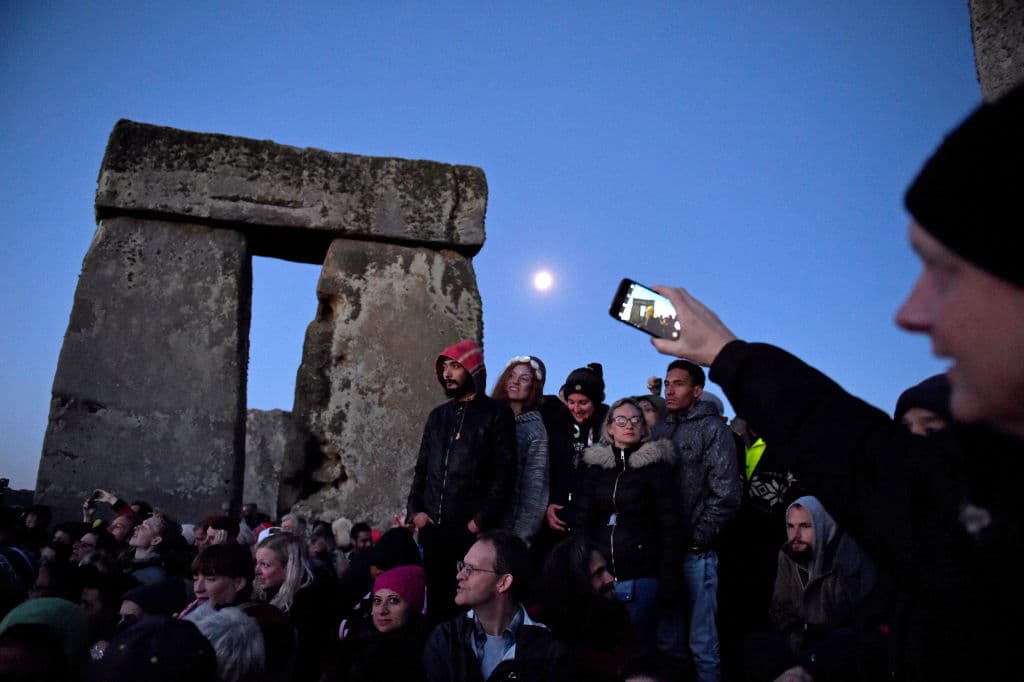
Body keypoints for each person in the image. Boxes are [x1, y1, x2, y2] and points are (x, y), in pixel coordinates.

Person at [646, 83, 1024, 681]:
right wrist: (724, 351)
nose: (910, 312)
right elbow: (857, 452)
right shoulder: (982, 494)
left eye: (945, 273)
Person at [406, 339, 518, 624]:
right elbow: (421, 468)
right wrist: (415, 512)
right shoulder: (437, 416)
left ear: (472, 367)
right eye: (444, 367)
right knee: (436, 609)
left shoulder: (496, 414)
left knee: (471, 611)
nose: (447, 373)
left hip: (471, 534)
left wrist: (477, 523)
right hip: (432, 530)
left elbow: (504, 474)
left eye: (454, 366)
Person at [652, 359, 741, 681]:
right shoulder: (660, 429)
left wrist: (694, 539)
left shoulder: (713, 430)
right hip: (662, 554)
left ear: (697, 390)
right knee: (668, 641)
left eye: (678, 383)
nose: (669, 390)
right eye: (667, 383)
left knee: (702, 643)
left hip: (695, 554)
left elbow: (726, 494)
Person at [574, 397, 680, 647]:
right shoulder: (595, 468)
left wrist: (669, 579)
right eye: (621, 420)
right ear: (609, 427)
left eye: (636, 419)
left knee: (643, 650)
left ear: (644, 427)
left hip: (642, 575)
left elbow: (670, 526)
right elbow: (582, 519)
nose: (629, 425)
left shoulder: (658, 468)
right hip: (602, 578)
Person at [744, 496, 884, 682]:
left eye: (805, 526)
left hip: (832, 641)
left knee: (843, 644)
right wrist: (794, 635)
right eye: (791, 526)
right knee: (756, 645)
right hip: (799, 638)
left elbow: (856, 618)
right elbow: (780, 608)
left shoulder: (847, 555)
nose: (795, 535)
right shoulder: (788, 554)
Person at [422, 529, 574, 681]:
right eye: (462, 566)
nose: (460, 575)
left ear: (503, 582)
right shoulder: (446, 639)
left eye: (471, 569)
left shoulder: (547, 652)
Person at [534, 535, 638, 682]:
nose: (610, 579)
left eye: (607, 570)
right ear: (576, 582)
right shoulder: (542, 630)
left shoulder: (616, 614)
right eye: (599, 573)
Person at [254, 530, 336, 680]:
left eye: (265, 565)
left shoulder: (308, 604)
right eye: (257, 563)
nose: (257, 570)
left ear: (289, 567)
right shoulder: (269, 594)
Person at [491, 355, 550, 548]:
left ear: (533, 386)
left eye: (524, 378)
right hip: (472, 522)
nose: (515, 381)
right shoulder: (487, 416)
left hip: (506, 529)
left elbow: (534, 489)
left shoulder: (535, 429)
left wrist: (520, 539)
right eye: (512, 375)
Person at [337, 564, 431, 682]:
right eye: (377, 601)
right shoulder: (357, 639)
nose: (382, 610)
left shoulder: (426, 654)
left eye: (393, 600)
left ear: (412, 607)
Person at [547, 363, 609, 535]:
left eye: (583, 402)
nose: (576, 409)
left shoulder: (610, 427)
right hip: (557, 517)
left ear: (596, 401)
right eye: (571, 402)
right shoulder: (556, 423)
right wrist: (548, 505)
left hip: (595, 521)